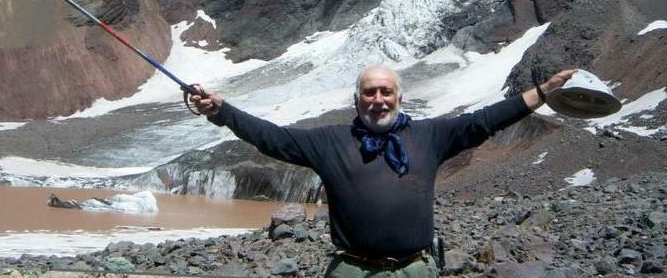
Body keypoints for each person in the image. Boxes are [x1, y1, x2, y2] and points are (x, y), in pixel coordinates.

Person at [190, 66, 576, 277]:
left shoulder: (430, 136)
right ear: (356, 100)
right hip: (351, 271)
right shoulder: (330, 142)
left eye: (385, 92)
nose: (378, 100)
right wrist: (222, 112)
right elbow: (271, 138)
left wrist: (542, 92)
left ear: (399, 98)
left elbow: (485, 121)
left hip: (416, 270)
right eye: (369, 92)